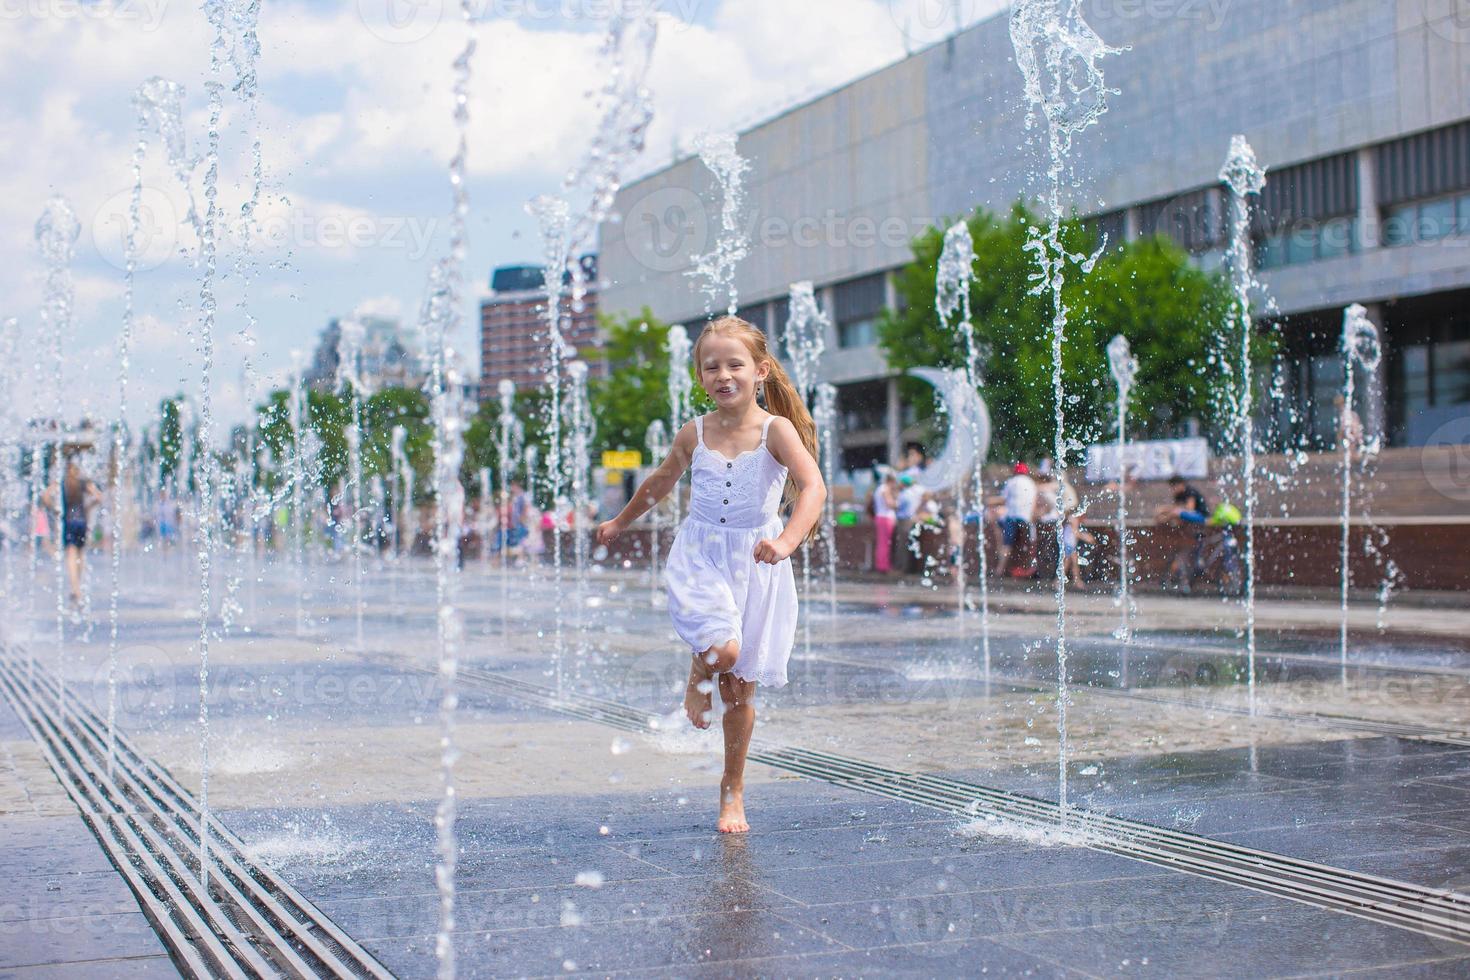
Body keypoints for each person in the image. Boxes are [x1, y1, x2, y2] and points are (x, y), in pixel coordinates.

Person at [596, 315, 825, 834]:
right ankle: (699, 675)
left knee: (741, 691)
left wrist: (787, 541)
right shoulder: (694, 432)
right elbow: (659, 482)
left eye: (735, 364)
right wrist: (619, 521)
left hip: (756, 562)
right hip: (700, 555)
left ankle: (732, 789)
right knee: (723, 653)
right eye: (711, 367)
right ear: (699, 376)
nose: (723, 375)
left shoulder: (776, 430)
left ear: (760, 370)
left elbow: (813, 488)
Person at [43, 458, 102, 606]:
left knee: (70, 553)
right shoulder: (82, 483)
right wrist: (89, 507)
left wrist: (55, 509)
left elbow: (45, 496)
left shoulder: (62, 483)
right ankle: (78, 585)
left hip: (68, 521)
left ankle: (75, 588)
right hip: (82, 522)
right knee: (80, 554)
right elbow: (99, 496)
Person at [993, 462, 1037, 577]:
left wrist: (989, 501)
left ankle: (1000, 569)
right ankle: (1027, 568)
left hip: (1012, 517)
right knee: (1028, 543)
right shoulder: (1031, 483)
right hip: (1026, 518)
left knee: (1007, 544)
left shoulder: (1011, 482)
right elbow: (1034, 503)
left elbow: (1003, 499)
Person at [870, 470, 899, 573]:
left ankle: (881, 565)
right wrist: (897, 503)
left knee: (882, 542)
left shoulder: (879, 489)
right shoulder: (885, 489)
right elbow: (889, 504)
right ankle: (883, 566)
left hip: (881, 517)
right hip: (885, 518)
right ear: (891, 481)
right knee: (885, 543)